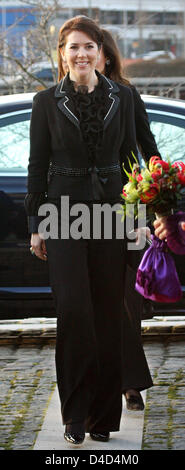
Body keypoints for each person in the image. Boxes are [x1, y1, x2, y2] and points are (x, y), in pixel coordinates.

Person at [25, 15, 140, 446]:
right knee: (73, 311)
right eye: (73, 47)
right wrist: (37, 224)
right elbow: (37, 167)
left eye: (88, 46)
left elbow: (134, 163)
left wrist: (139, 223)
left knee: (109, 315)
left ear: (100, 52)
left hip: (112, 213)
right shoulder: (45, 103)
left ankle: (102, 418)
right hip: (63, 211)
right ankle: (74, 415)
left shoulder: (123, 98)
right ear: (62, 54)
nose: (81, 54)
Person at [96, 28, 160, 410]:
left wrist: (160, 197)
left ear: (107, 56)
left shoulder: (128, 95)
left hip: (129, 206)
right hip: (80, 209)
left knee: (127, 300)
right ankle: (121, 378)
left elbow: (148, 149)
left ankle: (130, 383)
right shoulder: (63, 96)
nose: (88, 57)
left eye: (95, 50)